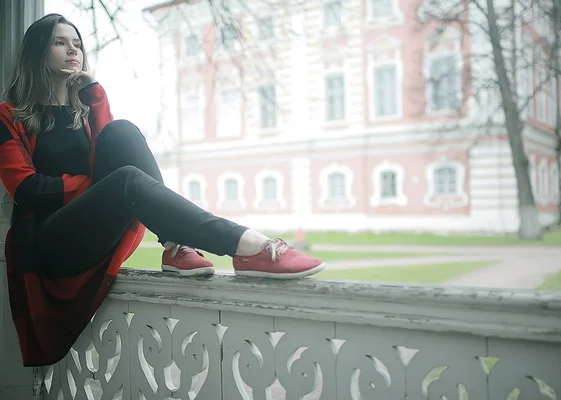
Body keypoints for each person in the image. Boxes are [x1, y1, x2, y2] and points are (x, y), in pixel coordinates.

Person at [0, 13, 325, 367]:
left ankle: (175, 245)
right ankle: (250, 246)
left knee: (122, 131)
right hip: (51, 242)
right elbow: (28, 189)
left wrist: (94, 97)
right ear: (38, 53)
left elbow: (112, 151)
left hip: (93, 227)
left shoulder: (84, 110)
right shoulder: (9, 115)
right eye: (60, 42)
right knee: (124, 180)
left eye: (77, 43)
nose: (72, 50)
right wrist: (96, 186)